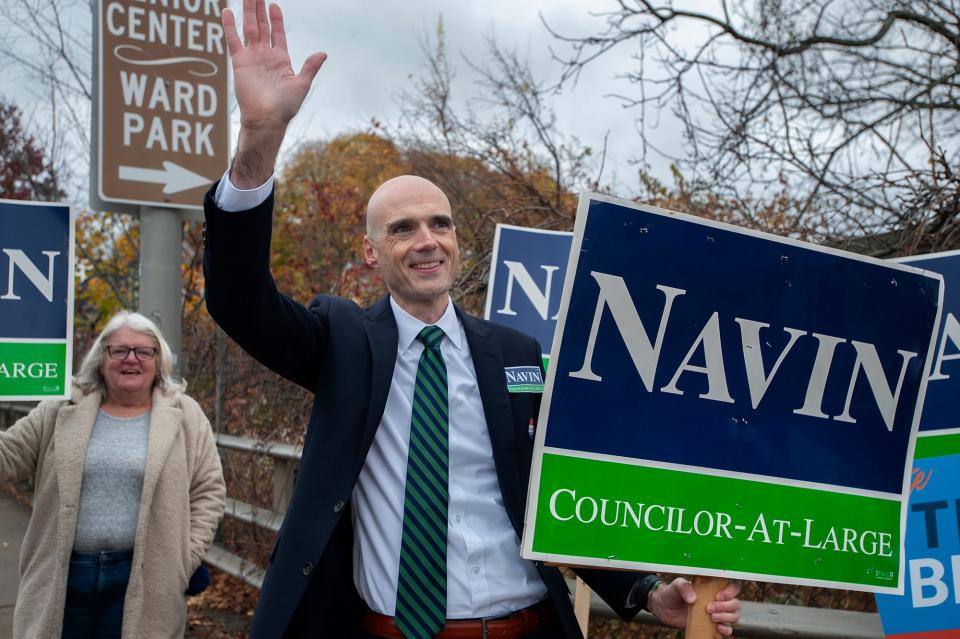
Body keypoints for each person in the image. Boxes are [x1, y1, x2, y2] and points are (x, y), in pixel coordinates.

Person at [203, 1, 741, 637]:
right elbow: (239, 300)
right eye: (403, 228)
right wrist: (258, 144)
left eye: (441, 223)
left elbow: (556, 498)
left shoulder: (516, 354)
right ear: (371, 254)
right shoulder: (341, 341)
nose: (427, 240)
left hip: (527, 626)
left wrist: (648, 592)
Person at [0, 311, 226, 638]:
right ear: (100, 358)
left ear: (158, 360)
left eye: (143, 351)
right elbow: (8, 457)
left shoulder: (186, 415)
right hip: (63, 576)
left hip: (144, 579)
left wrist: (182, 561)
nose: (130, 359)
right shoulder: (61, 408)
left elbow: (209, 490)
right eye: (119, 350)